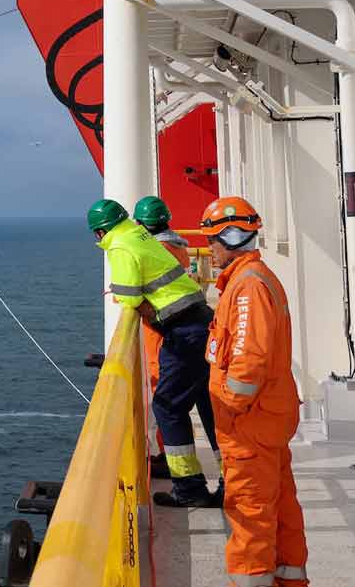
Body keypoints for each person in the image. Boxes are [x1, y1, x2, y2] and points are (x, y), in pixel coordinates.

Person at [202, 196, 308, 587]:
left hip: (250, 426)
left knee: (249, 518)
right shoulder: (251, 280)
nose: (208, 249)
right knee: (279, 511)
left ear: (231, 237)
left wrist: (229, 407)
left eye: (213, 240)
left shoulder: (247, 289)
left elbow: (248, 362)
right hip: (264, 421)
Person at [88, 198, 220, 508]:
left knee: (168, 407)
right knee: (208, 405)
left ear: (99, 233)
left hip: (183, 332)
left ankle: (189, 489)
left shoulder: (119, 245)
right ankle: (232, 481)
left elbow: (130, 297)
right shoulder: (139, 235)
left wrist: (121, 295)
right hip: (199, 321)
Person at [133, 195, 220, 476]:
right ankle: (223, 473)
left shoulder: (158, 251)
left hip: (168, 336)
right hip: (188, 329)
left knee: (167, 403)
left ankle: (182, 476)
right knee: (205, 405)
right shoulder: (178, 248)